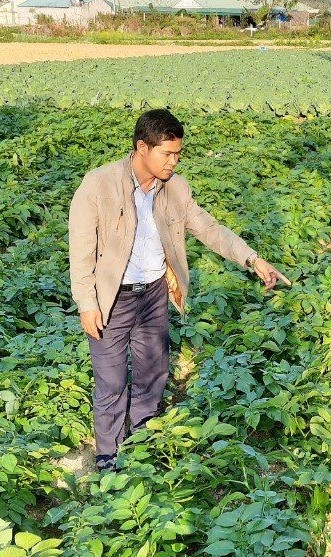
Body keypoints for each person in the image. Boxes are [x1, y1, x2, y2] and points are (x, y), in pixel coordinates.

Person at [68, 108, 290, 471]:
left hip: (154, 294)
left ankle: (141, 441)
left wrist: (253, 259)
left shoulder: (176, 189)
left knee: (152, 374)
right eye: (166, 154)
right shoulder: (98, 185)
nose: (174, 162)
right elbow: (80, 252)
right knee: (111, 380)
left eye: (178, 154)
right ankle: (108, 454)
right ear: (142, 147)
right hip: (113, 299)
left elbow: (210, 229)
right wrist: (86, 303)